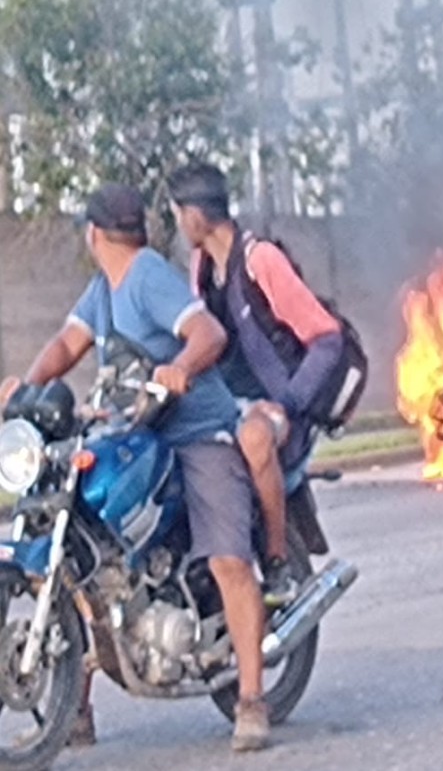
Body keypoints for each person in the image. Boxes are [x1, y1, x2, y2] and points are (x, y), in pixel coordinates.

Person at [0, 185, 271, 752]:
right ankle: (73, 709)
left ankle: (251, 699)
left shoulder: (148, 277)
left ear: (93, 233)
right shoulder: (103, 290)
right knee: (82, 544)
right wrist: (24, 390)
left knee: (227, 559)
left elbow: (210, 334)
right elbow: (65, 345)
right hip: (133, 430)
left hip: (196, 431)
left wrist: (178, 367)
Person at [167, 163, 345, 607]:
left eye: (176, 212)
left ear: (194, 215)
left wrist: (286, 403)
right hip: (225, 404)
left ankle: (279, 560)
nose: (175, 223)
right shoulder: (201, 267)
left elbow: (327, 339)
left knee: (253, 437)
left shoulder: (260, 259)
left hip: (278, 408)